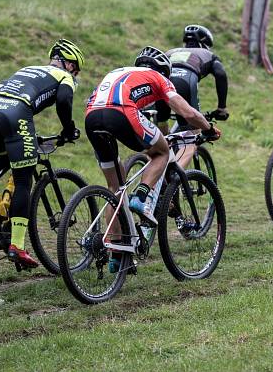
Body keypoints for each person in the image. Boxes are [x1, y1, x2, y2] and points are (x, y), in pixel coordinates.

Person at [85, 46, 220, 242]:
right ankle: (141, 197)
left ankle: (116, 251)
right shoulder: (160, 78)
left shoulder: (120, 72)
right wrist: (208, 129)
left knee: (115, 189)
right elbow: (188, 113)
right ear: (164, 71)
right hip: (121, 112)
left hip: (91, 116)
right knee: (162, 152)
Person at [0, 39, 84, 268]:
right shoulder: (64, 76)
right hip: (16, 113)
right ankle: (17, 245)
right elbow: (64, 100)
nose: (75, 74)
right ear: (68, 64)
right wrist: (68, 129)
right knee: (24, 179)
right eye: (76, 68)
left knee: (2, 159)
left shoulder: (27, 69)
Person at [157, 24, 229, 168]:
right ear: (205, 44)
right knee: (191, 138)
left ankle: (160, 166)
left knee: (161, 132)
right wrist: (222, 108)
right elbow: (220, 74)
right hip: (184, 81)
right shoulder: (207, 54)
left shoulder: (170, 52)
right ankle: (173, 178)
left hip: (159, 83)